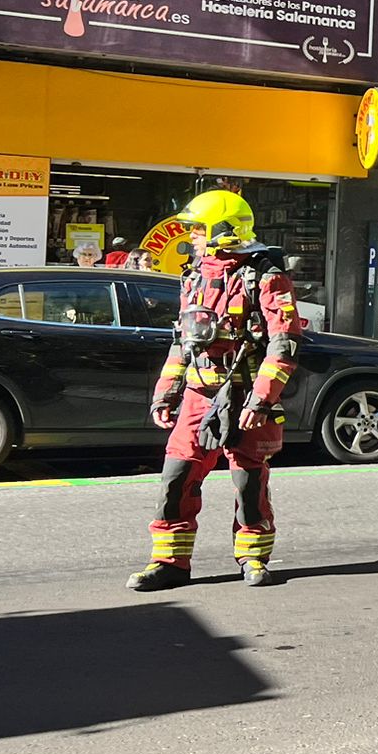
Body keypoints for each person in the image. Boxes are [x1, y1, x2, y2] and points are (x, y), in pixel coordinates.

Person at [128, 191, 304, 592]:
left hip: (244, 398)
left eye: (198, 230)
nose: (191, 237)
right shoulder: (195, 275)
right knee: (176, 478)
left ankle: (253, 557)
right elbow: (183, 341)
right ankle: (169, 562)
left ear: (224, 233)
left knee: (249, 484)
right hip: (197, 397)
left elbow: (284, 343)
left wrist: (263, 398)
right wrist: (166, 392)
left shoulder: (265, 275)